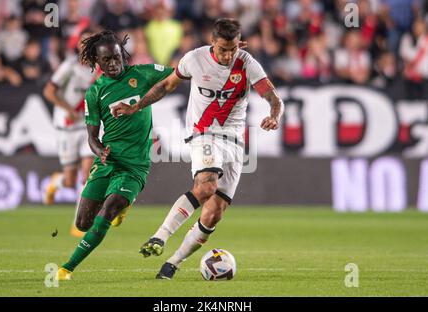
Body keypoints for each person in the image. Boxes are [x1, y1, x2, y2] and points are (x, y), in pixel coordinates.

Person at [111, 18, 285, 279]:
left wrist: (275, 115)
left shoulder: (247, 63)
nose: (228, 55)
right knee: (206, 186)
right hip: (203, 134)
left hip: (235, 142)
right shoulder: (194, 59)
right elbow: (165, 85)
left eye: (233, 49)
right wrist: (137, 106)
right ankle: (160, 236)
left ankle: (172, 264)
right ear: (212, 42)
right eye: (223, 49)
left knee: (214, 213)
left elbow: (274, 98)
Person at [55, 30, 174, 281]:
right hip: (108, 160)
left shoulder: (142, 73)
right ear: (97, 63)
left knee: (107, 210)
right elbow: (92, 136)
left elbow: (178, 73)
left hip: (134, 165)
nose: (113, 64)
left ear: (123, 54)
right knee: (82, 224)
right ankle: (123, 205)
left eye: (116, 57)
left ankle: (67, 268)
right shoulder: (95, 92)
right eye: (106, 60)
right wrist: (99, 150)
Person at [43, 30, 97, 238]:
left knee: (86, 175)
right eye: (84, 41)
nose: (87, 45)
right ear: (77, 44)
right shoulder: (68, 67)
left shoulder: (97, 69)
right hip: (65, 127)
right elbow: (49, 91)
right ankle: (56, 181)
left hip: (85, 128)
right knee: (69, 181)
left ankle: (78, 222)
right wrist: (67, 109)